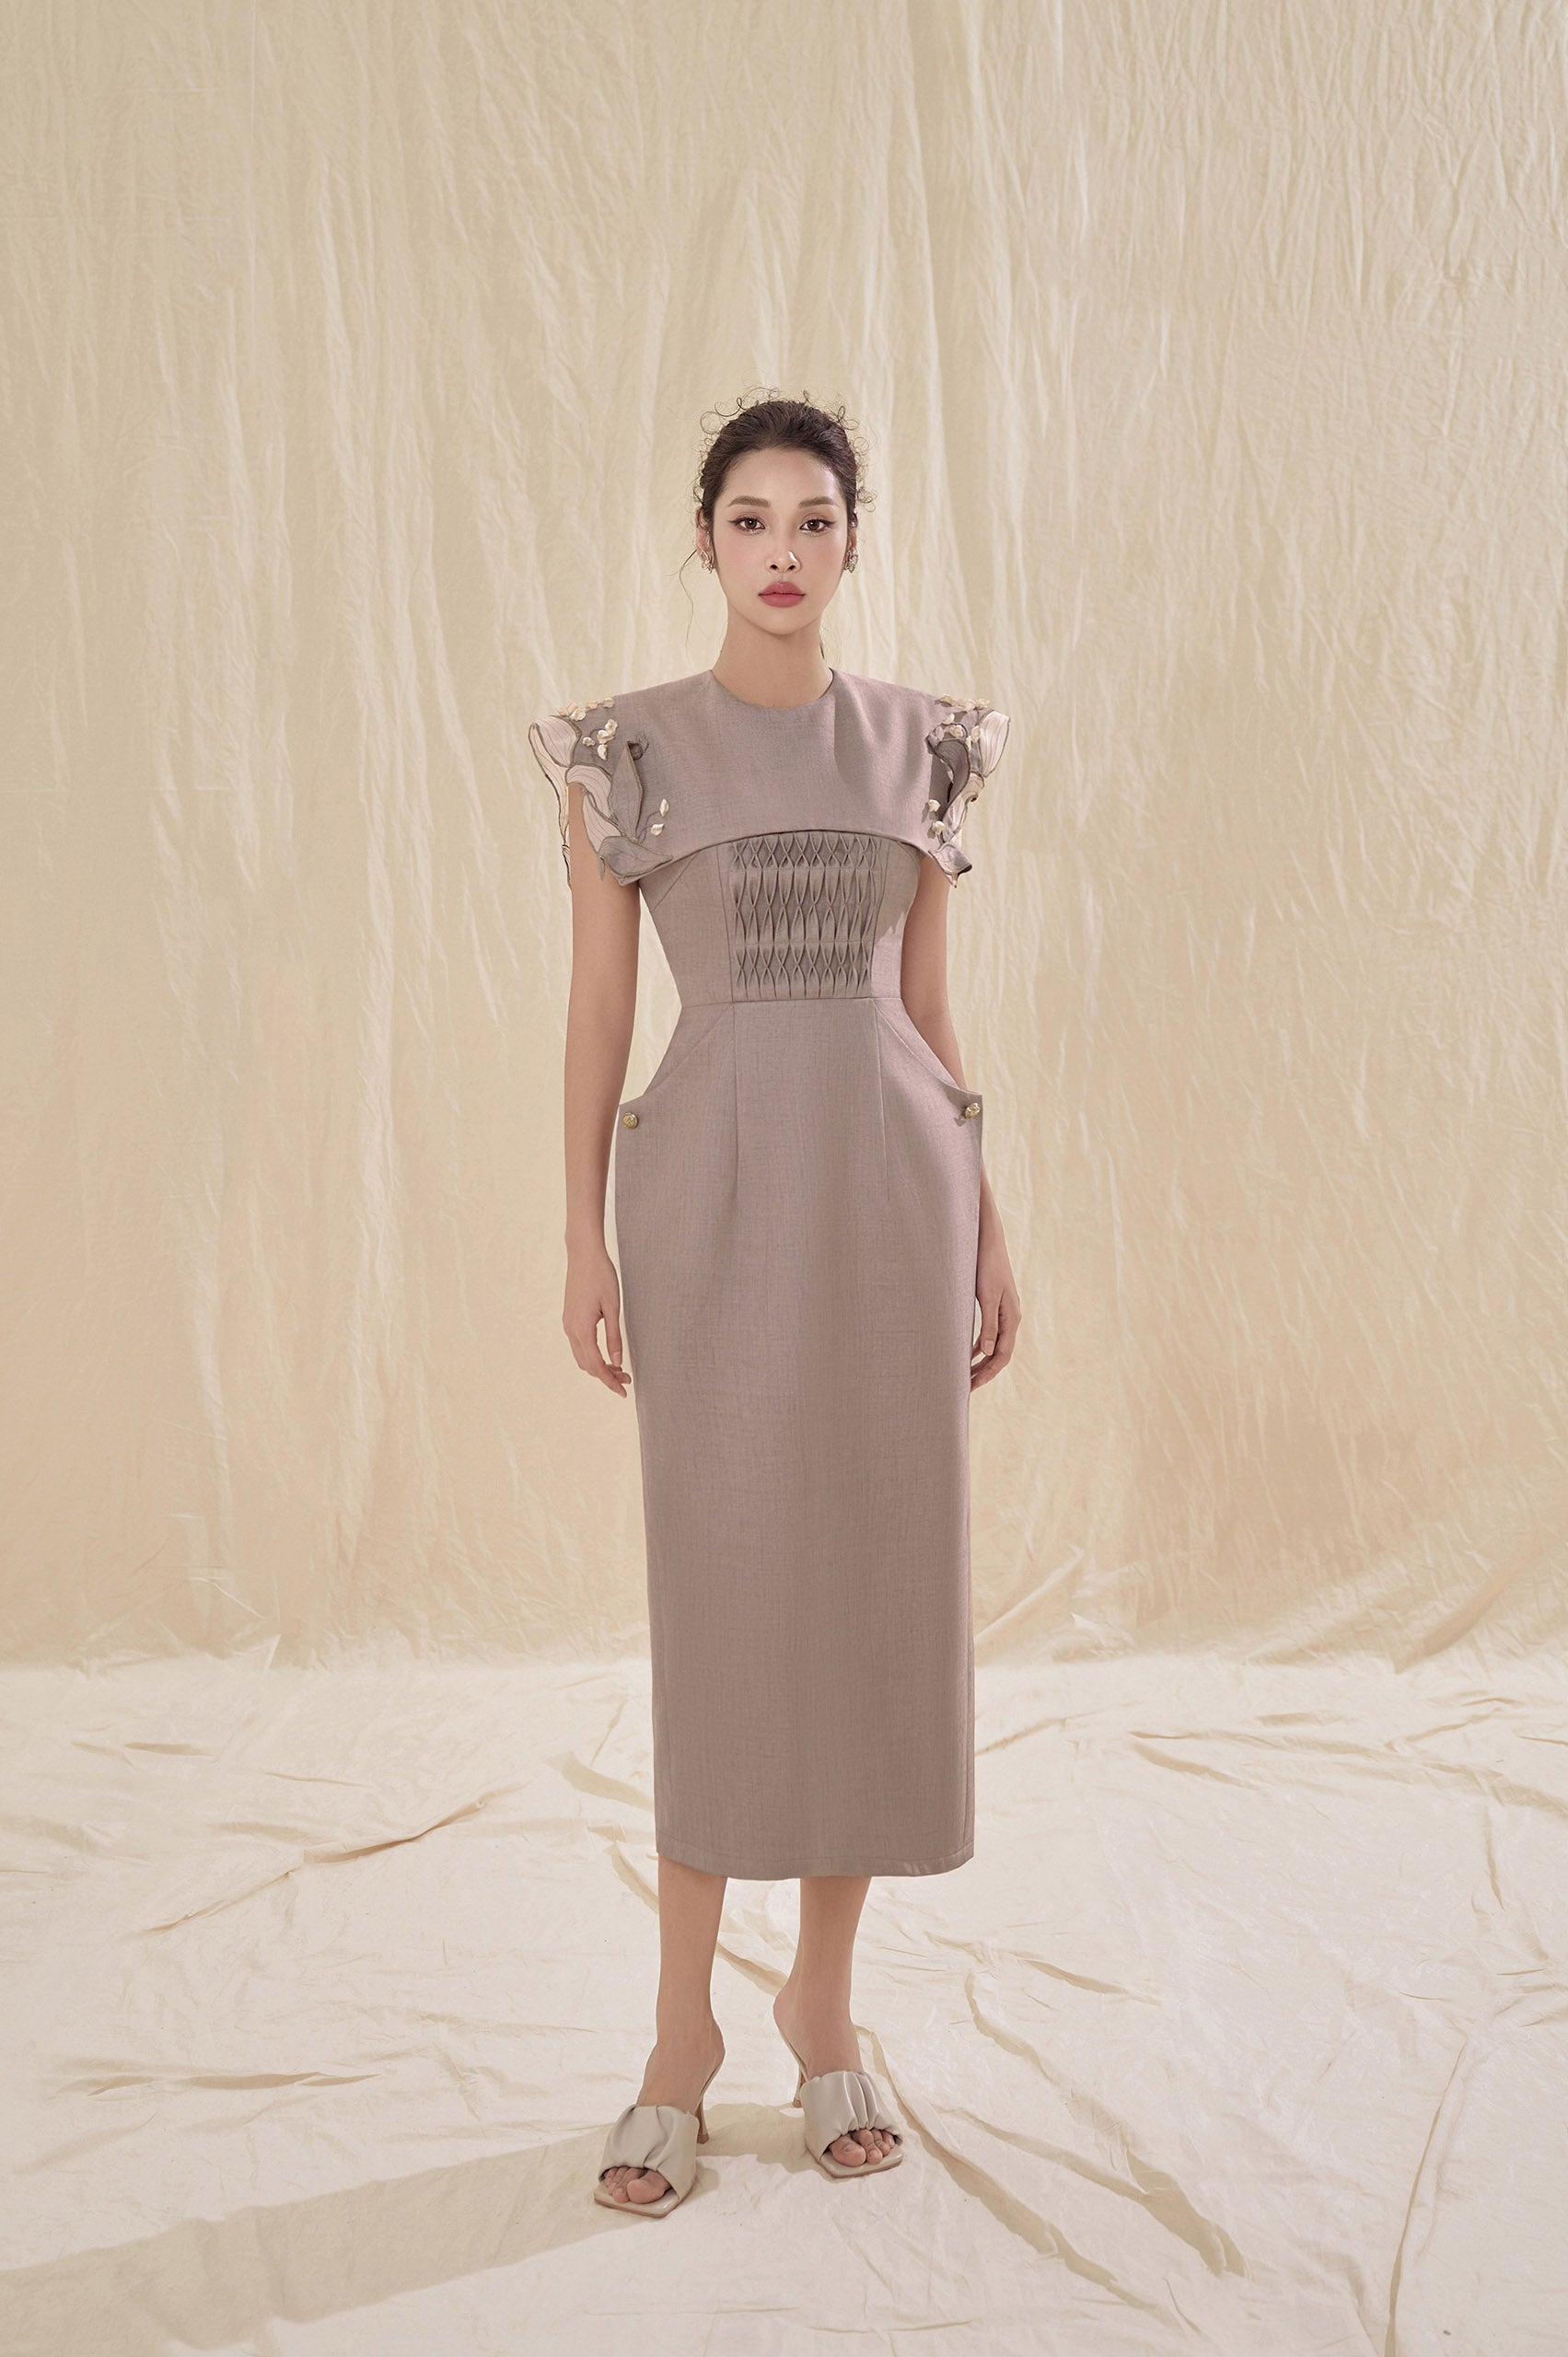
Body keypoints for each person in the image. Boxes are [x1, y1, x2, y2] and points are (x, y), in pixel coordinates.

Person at [530, 395, 1022, 2215]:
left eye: (816, 519)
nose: (785, 551)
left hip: (895, 1191)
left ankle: (824, 2004)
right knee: (728, 1589)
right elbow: (600, 1007)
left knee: (871, 1584)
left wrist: (991, 1218)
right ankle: (682, 2036)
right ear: (706, 539)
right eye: (752, 519)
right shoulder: (629, 754)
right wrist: (579, 1236)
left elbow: (930, 1008)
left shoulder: (922, 747)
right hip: (712, 1196)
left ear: (851, 540)